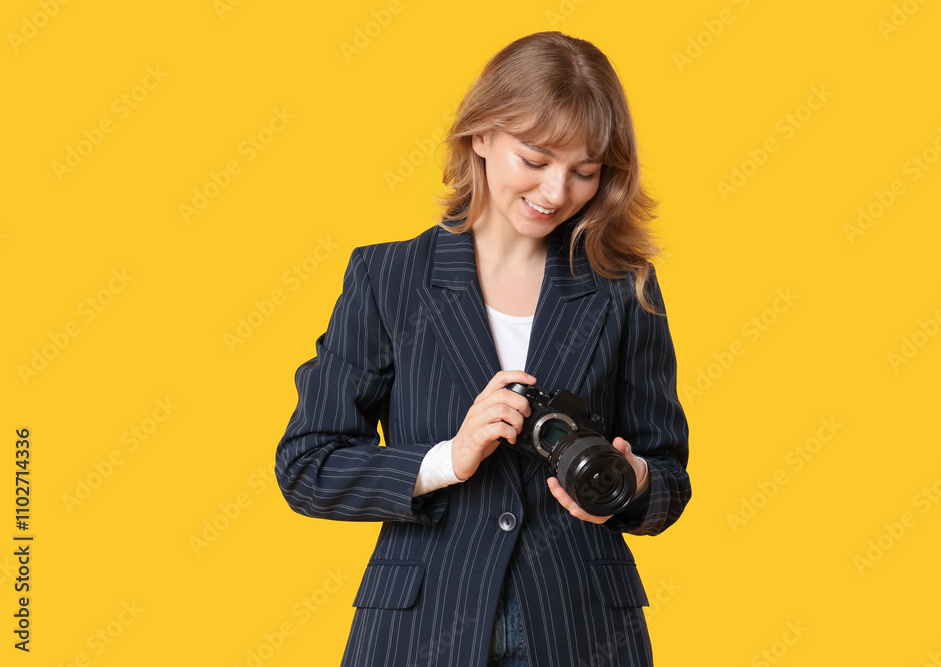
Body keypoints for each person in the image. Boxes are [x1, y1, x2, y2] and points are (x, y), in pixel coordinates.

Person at [274, 31, 691, 667]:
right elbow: (307, 465)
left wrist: (633, 482)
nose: (556, 193)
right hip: (421, 626)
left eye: (584, 172)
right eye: (536, 159)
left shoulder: (621, 289)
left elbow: (668, 477)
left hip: (581, 627)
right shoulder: (387, 279)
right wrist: (447, 459)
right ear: (481, 136)